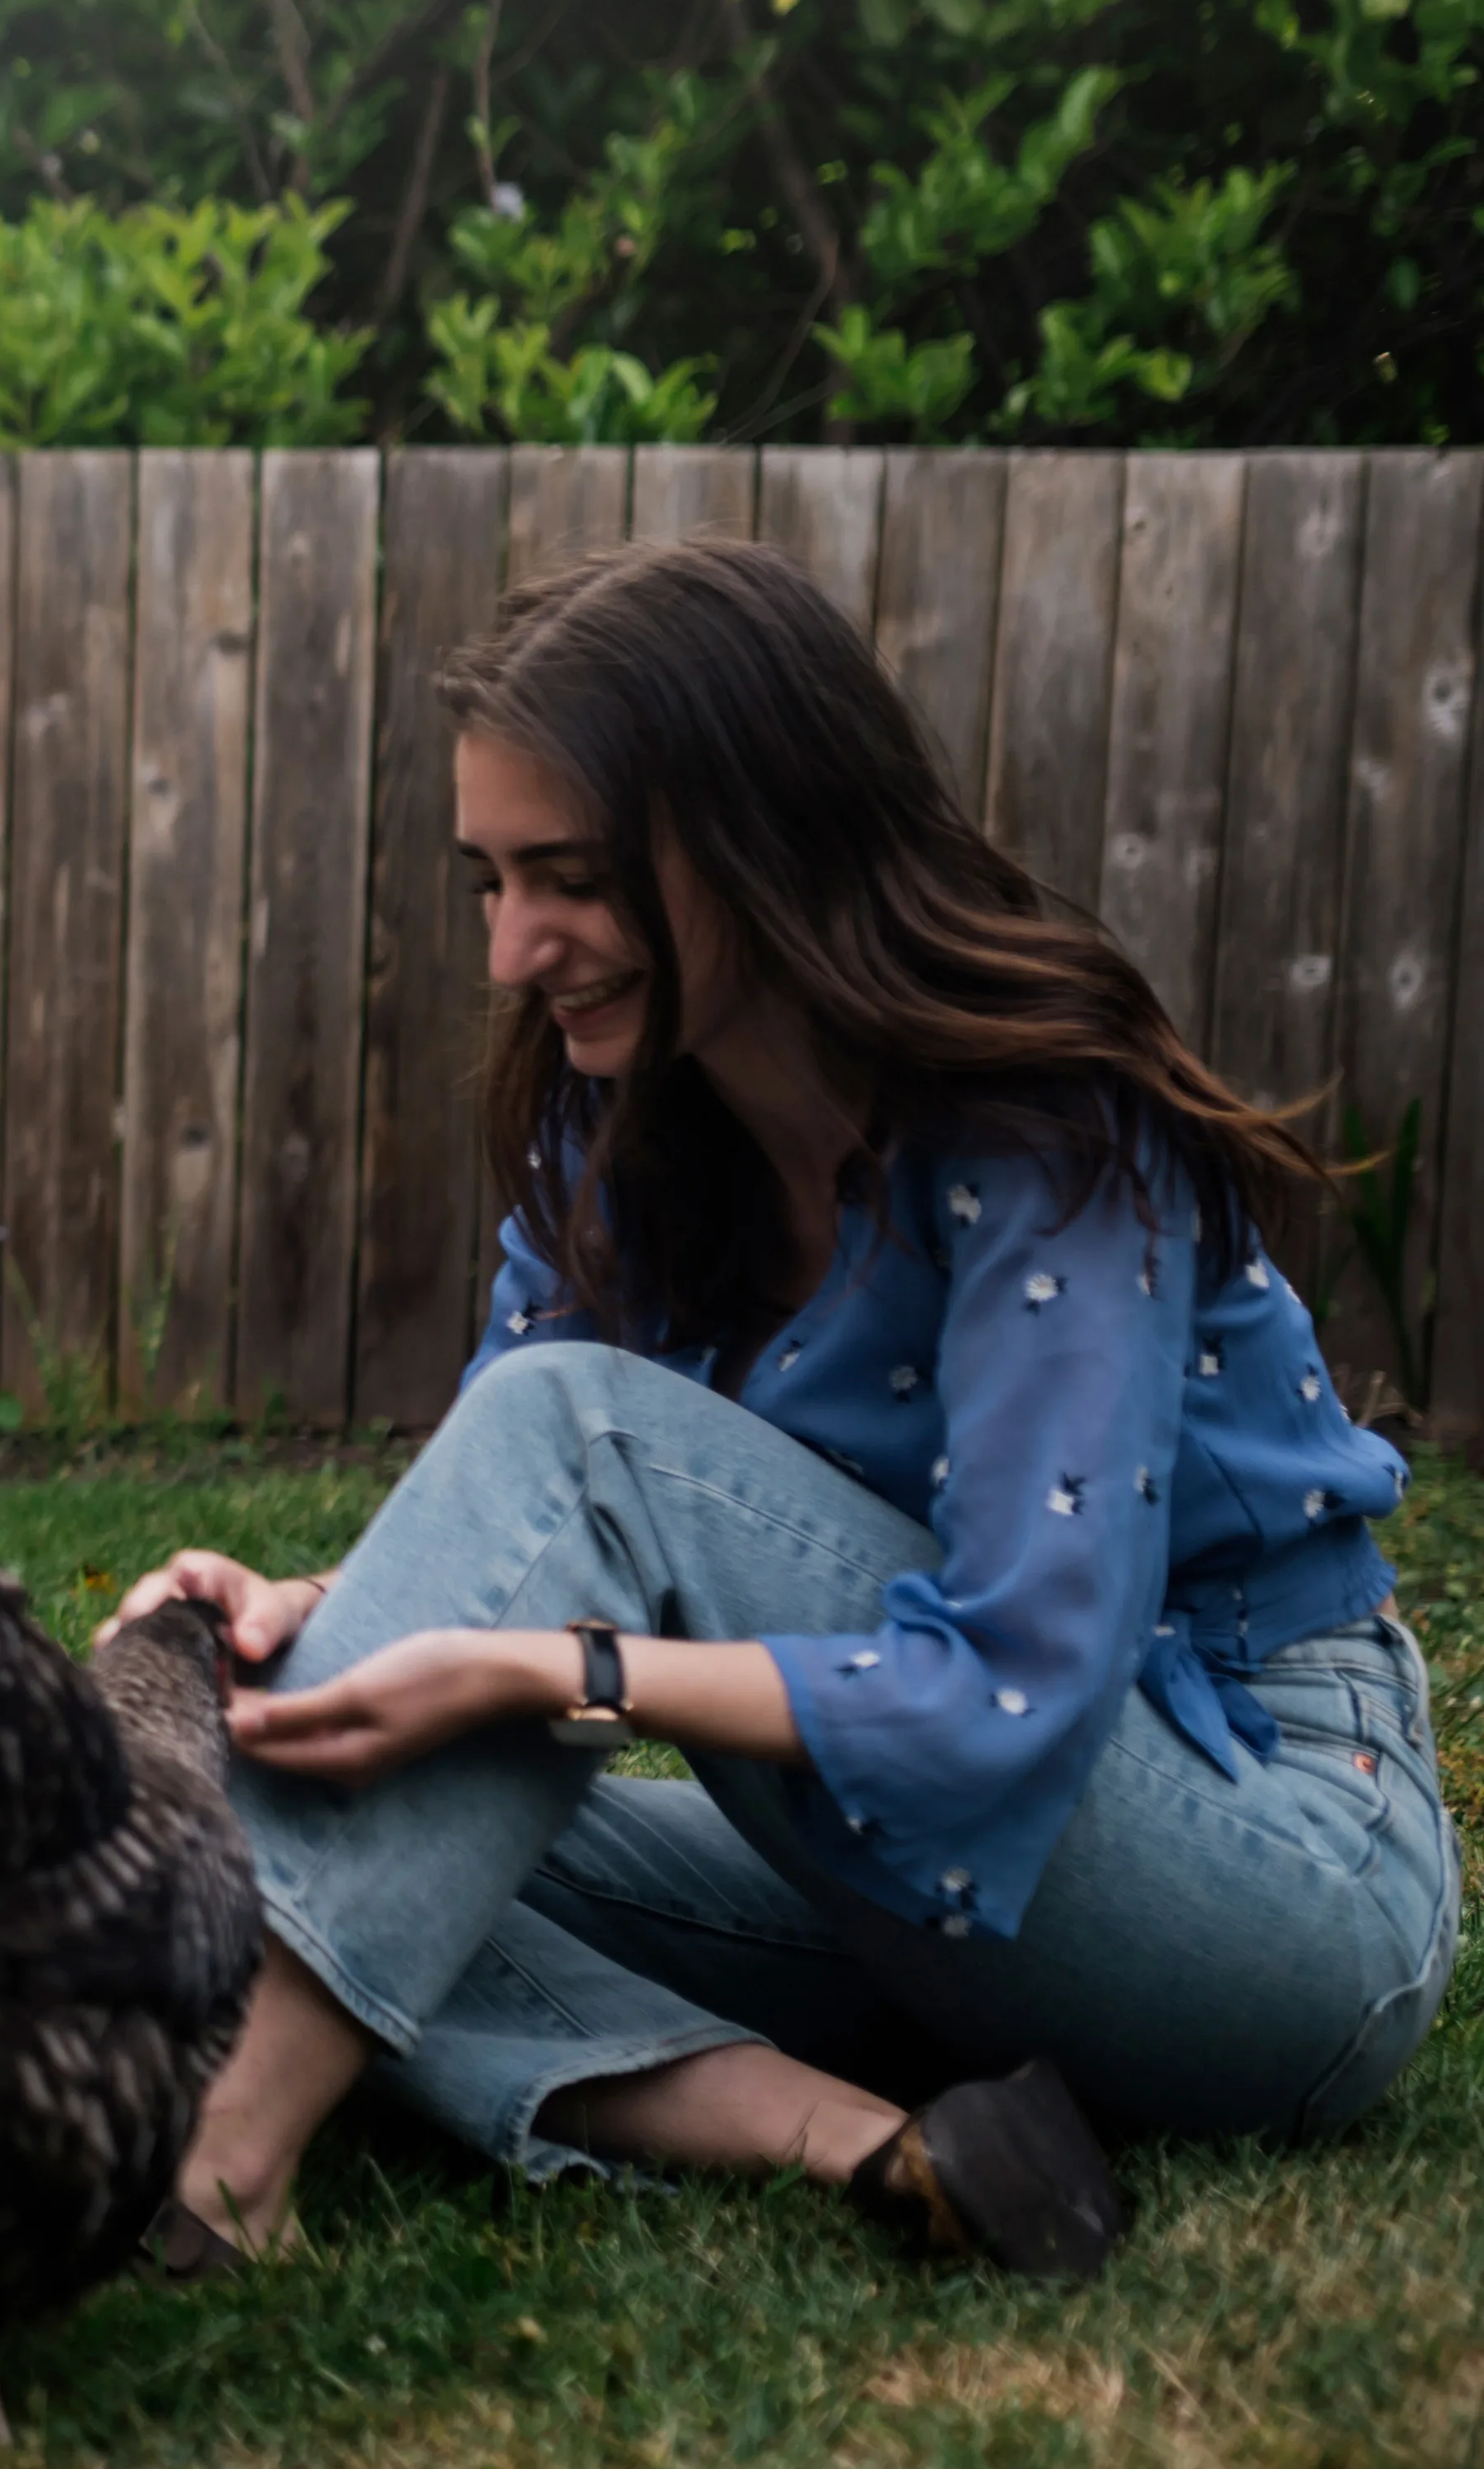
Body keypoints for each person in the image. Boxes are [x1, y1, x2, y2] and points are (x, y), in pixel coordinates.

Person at [124, 536, 1459, 2281]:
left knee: (569, 1431)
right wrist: (311, 1626)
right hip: (920, 1911)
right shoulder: (618, 1132)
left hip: (1270, 1888)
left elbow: (1012, 1695)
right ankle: (873, 2144)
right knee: (258, 1762)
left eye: (575, 881)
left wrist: (566, 1672)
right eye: (490, 881)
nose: (519, 947)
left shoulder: (1048, 1128)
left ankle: (215, 2168)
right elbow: (522, 1558)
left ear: (763, 840)